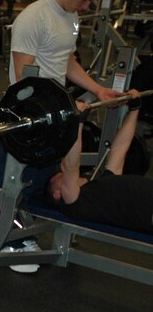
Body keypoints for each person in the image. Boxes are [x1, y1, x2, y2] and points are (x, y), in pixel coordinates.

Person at [0, 0, 125, 272]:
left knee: (44, 176)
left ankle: (26, 229)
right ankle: (8, 240)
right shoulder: (34, 17)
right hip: (28, 108)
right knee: (16, 178)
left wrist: (97, 89)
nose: (86, 6)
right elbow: (23, 76)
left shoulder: (70, 17)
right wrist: (64, 105)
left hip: (54, 107)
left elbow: (65, 59)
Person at [44, 91, 153, 233]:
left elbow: (120, 149)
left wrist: (134, 109)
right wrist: (77, 123)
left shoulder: (103, 185)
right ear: (58, 194)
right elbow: (70, 166)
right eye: (60, 177)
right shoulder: (74, 204)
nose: (61, 174)